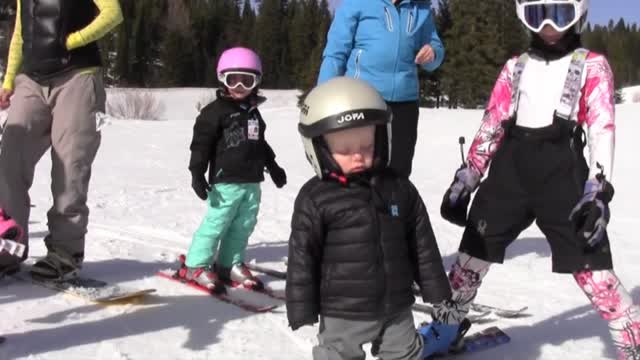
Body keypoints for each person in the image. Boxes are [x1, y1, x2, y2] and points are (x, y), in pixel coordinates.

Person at [439, 1, 640, 358]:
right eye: (537, 14)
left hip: (562, 176)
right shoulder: (515, 67)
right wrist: (470, 174)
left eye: (559, 14)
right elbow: (493, 122)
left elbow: (602, 128)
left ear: (578, 14)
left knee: (591, 265)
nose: (548, 25)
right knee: (472, 255)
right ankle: (445, 330)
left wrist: (597, 189)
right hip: (510, 172)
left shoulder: (591, 65)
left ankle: (631, 342)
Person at [286, 77, 465, 360]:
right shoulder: (315, 198)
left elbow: (421, 243)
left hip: (396, 306)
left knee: (405, 353)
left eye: (367, 146)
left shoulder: (398, 188)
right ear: (318, 148)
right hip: (343, 311)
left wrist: (435, 288)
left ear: (382, 139)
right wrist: (301, 306)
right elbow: (302, 256)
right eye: (344, 149)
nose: (357, 156)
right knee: (336, 354)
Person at [0, 0, 123, 279]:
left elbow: (113, 14)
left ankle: (65, 253)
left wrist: (72, 41)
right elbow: (20, 34)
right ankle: (9, 247)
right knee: (9, 159)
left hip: (77, 76)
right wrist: (8, 82)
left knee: (70, 165)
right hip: (31, 78)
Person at [178, 47, 287, 294]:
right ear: (222, 79)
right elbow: (200, 145)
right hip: (225, 181)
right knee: (217, 223)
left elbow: (260, 144)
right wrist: (197, 173)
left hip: (251, 180)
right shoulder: (214, 113)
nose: (239, 85)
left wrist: (274, 166)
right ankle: (196, 264)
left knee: (244, 224)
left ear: (256, 82)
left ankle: (229, 263)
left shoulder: (253, 114)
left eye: (246, 80)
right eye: (232, 79)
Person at [317, 0, 444, 178]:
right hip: (363, 101)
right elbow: (335, 54)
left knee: (399, 171)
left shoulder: (419, 8)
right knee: (362, 167)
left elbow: (435, 47)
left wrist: (433, 52)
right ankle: (358, 205)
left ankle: (396, 206)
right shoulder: (357, 3)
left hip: (405, 104)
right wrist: (323, 100)